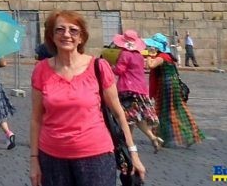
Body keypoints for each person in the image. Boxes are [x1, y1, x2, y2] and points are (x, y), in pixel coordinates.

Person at [29, 10, 145, 186]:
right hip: (52, 159)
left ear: (81, 37)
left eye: (73, 30)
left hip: (95, 158)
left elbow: (119, 113)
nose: (66, 35)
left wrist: (133, 154)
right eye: (59, 29)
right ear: (51, 36)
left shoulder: (98, 67)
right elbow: (36, 119)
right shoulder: (41, 70)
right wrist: (34, 160)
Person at [147, 33, 204, 148]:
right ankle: (166, 136)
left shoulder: (162, 57)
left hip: (167, 87)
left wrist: (149, 55)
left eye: (153, 46)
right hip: (170, 86)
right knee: (170, 112)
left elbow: (151, 65)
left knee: (168, 112)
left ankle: (187, 135)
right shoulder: (167, 56)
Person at [111, 30, 162, 153]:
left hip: (127, 89)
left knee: (127, 118)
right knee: (135, 118)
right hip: (140, 90)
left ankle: (128, 145)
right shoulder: (139, 55)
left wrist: (109, 66)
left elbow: (119, 71)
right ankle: (151, 138)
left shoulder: (125, 54)